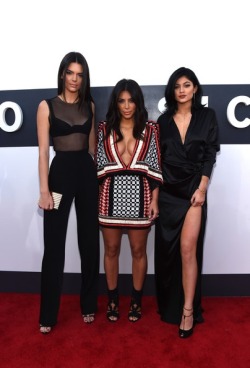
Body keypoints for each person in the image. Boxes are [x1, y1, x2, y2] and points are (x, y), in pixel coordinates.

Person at [37, 52, 99, 334]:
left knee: (88, 241)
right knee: (54, 246)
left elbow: (92, 150)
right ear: (62, 74)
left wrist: (95, 180)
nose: (75, 79)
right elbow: (42, 153)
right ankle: (48, 315)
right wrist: (44, 190)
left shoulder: (90, 106)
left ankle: (88, 305)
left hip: (86, 176)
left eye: (80, 74)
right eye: (70, 73)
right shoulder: (46, 106)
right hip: (59, 177)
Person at [155, 67, 220, 338]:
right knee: (170, 254)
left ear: (195, 88)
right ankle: (172, 303)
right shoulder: (162, 121)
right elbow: (156, 163)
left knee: (186, 249)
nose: (182, 90)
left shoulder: (207, 117)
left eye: (187, 84)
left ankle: (188, 310)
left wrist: (203, 188)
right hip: (168, 193)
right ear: (172, 90)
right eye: (177, 86)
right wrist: (155, 198)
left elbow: (210, 154)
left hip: (194, 191)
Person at [95, 79, 162, 322]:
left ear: (138, 102)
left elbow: (154, 167)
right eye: (121, 100)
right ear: (115, 102)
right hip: (108, 198)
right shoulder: (103, 129)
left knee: (138, 251)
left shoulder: (151, 129)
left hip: (141, 197)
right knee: (111, 250)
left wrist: (155, 200)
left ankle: (135, 300)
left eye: (131, 100)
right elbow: (99, 170)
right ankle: (112, 298)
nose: (126, 106)